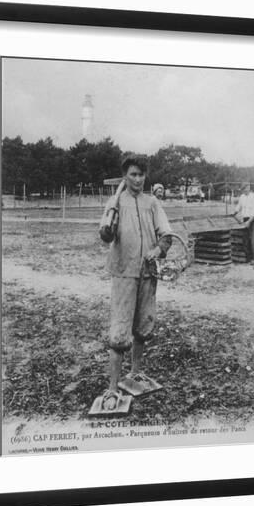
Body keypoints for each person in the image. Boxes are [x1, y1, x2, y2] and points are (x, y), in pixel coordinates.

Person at [96, 156, 172, 412]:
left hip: (148, 273)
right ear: (125, 176)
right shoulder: (115, 201)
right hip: (124, 272)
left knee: (143, 326)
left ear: (145, 176)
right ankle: (112, 389)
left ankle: (136, 373)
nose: (137, 179)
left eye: (141, 175)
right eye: (133, 174)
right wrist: (108, 228)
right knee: (119, 331)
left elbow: (167, 236)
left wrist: (158, 250)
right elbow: (105, 236)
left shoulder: (153, 203)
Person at [233, 183, 254, 264]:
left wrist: (249, 222)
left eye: (245, 189)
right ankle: (249, 259)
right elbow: (238, 207)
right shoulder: (242, 197)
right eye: (243, 189)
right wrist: (234, 213)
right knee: (245, 240)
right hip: (245, 219)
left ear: (248, 188)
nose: (244, 190)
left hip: (253, 219)